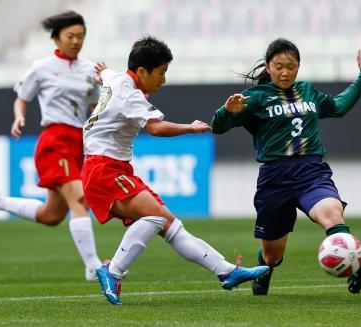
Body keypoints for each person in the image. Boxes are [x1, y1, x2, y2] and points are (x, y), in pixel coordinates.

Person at [82, 36, 270, 305]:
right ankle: (111, 271)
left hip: (112, 167)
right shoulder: (129, 93)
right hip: (104, 169)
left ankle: (227, 272)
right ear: (142, 72)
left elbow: (106, 74)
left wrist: (102, 73)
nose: (164, 80)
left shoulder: (117, 78)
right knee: (157, 218)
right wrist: (190, 128)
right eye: (161, 73)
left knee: (169, 224)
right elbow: (155, 128)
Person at [211, 38, 361, 295]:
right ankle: (264, 270)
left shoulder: (307, 91)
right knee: (272, 255)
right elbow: (217, 128)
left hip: (311, 172)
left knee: (332, 213)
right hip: (275, 179)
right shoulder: (255, 98)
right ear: (268, 66)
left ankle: (355, 267)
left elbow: (339, 107)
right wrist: (226, 111)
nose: (285, 72)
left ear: (298, 66)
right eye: (278, 66)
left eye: (291, 66)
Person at [0, 11, 103, 281]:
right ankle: (93, 267)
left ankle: (0, 202)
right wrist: (19, 116)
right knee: (80, 198)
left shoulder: (90, 70)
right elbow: (22, 97)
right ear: (56, 38)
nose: (76, 41)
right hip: (55, 141)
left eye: (80, 36)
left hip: (79, 142)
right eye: (70, 36)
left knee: (52, 215)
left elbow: (95, 106)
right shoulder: (42, 67)